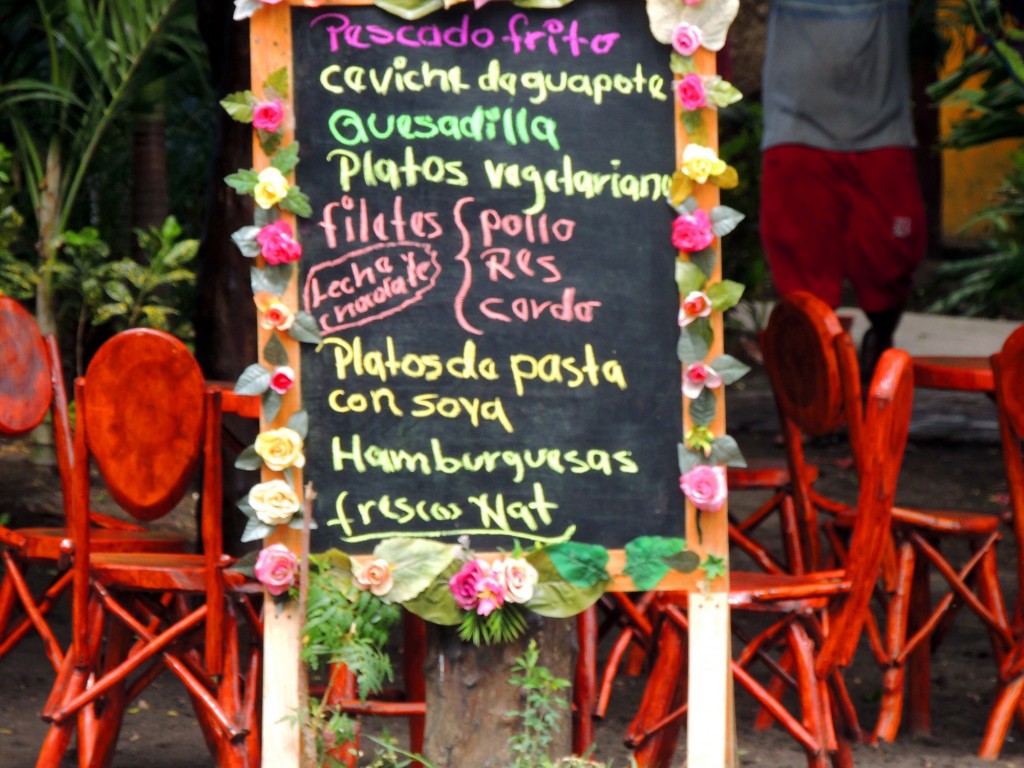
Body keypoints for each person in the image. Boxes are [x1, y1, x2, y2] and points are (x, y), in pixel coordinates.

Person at [759, 0, 927, 378]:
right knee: (801, 267)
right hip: (797, 128)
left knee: (892, 255)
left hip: (882, 129)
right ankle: (815, 389)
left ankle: (880, 338)